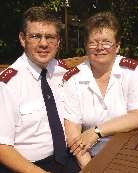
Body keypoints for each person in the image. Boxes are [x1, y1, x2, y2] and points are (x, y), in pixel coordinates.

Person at [63, 11, 138, 169]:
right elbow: (73, 134)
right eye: (93, 42)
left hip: (131, 148)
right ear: (85, 46)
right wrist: (91, 168)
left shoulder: (132, 70)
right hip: (88, 152)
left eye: (106, 42)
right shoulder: (73, 79)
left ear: (117, 46)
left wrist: (96, 132)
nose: (100, 47)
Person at [0, 6, 80, 173]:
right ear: (23, 39)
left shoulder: (63, 72)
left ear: (58, 41)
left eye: (50, 37)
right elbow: (2, 148)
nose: (44, 43)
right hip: (27, 167)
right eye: (36, 36)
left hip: (67, 157)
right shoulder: (8, 85)